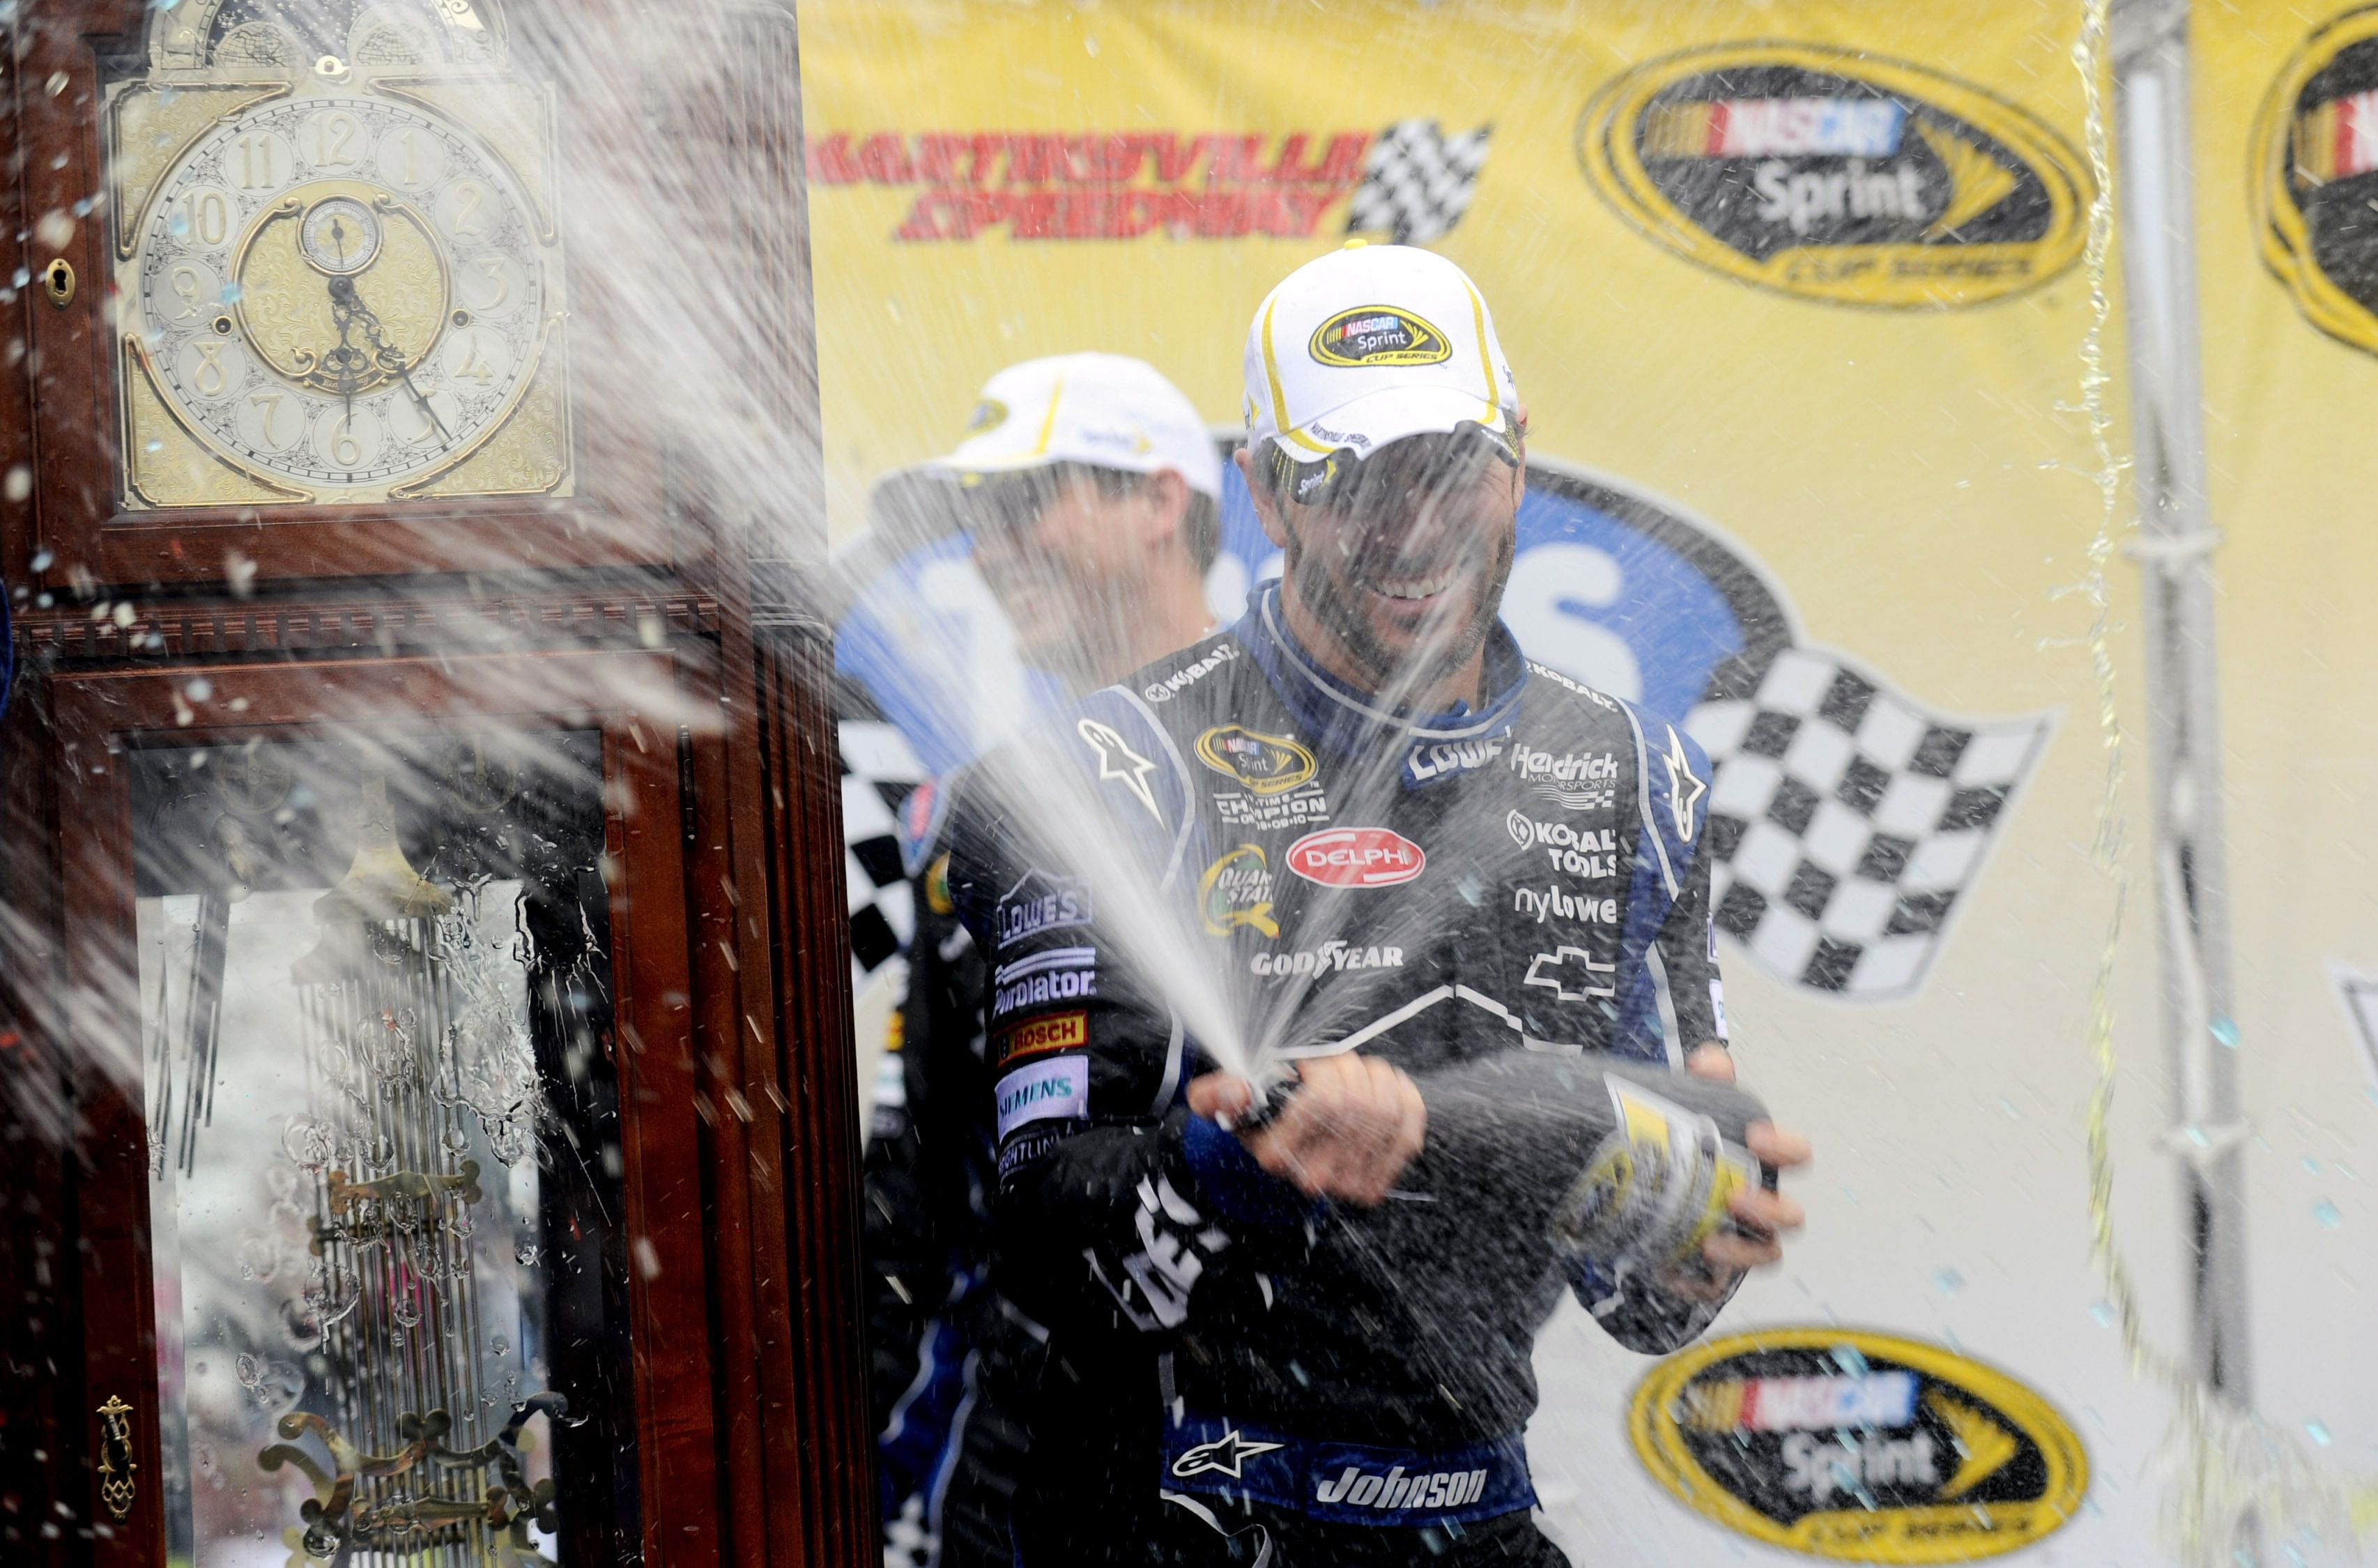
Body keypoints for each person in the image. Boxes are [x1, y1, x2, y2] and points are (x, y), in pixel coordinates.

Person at [949, 243, 1813, 1566]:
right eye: (1348, 479)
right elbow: (1036, 1229)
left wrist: (1696, 1239)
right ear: (1267, 494)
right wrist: (1228, 1166)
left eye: (1448, 465)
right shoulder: (1105, 771)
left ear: (1517, 450)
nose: (1409, 524)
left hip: (1473, 1519)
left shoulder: (1638, 779)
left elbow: (1643, 1293)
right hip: (1174, 1515)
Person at [863, 352, 1227, 1568]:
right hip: (1014, 1475)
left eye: (1022, 506)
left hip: (1278, 1462)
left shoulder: (1314, 781)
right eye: (975, 520)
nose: (990, 547)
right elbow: (921, 1188)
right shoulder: (987, 809)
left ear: (1160, 502)